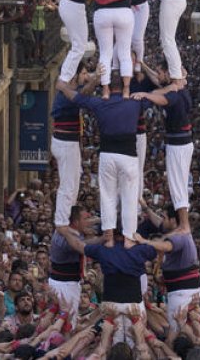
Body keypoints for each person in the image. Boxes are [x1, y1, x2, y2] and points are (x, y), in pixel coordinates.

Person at [56, 72, 152, 245]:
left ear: (107, 86)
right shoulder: (134, 102)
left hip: (107, 155)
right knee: (129, 196)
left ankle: (108, 237)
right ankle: (129, 238)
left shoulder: (100, 103)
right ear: (124, 86)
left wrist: (62, 87)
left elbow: (77, 98)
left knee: (108, 195)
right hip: (129, 155)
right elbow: (157, 94)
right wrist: (146, 93)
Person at [130, 62, 193, 226]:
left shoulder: (175, 93)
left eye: (160, 72)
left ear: (168, 73)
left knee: (177, 185)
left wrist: (146, 94)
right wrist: (143, 65)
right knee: (177, 184)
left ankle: (184, 225)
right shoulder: (176, 87)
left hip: (179, 145)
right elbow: (159, 85)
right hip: (179, 143)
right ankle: (183, 223)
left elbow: (162, 98)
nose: (157, 76)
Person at [52, 60, 96, 227]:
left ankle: (69, 218)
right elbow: (83, 94)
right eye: (83, 73)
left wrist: (94, 77)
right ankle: (62, 223)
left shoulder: (70, 89)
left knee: (74, 183)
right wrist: (95, 79)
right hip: (65, 143)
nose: (86, 76)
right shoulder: (66, 93)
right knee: (68, 186)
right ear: (74, 75)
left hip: (70, 143)